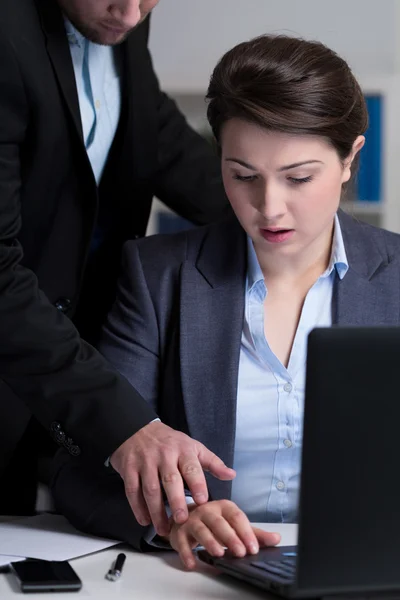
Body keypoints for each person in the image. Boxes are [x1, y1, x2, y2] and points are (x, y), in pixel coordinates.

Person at [51, 32, 400, 569]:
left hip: (370, 567)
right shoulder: (158, 276)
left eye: (299, 177)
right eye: (243, 176)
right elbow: (80, 473)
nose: (269, 208)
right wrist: (177, 519)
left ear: (351, 157)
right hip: (201, 574)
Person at [0, 0, 235, 525]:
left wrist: (279, 213)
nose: (131, 14)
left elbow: (152, 131)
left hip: (36, 403)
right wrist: (127, 423)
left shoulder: (113, 18)